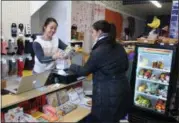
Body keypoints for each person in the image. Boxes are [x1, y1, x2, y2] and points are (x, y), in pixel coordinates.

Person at [68, 20, 132, 123]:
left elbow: (84, 71)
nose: (92, 35)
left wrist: (70, 65)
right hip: (123, 92)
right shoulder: (119, 47)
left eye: (93, 32)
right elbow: (126, 66)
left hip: (107, 97)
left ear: (99, 32)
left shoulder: (98, 51)